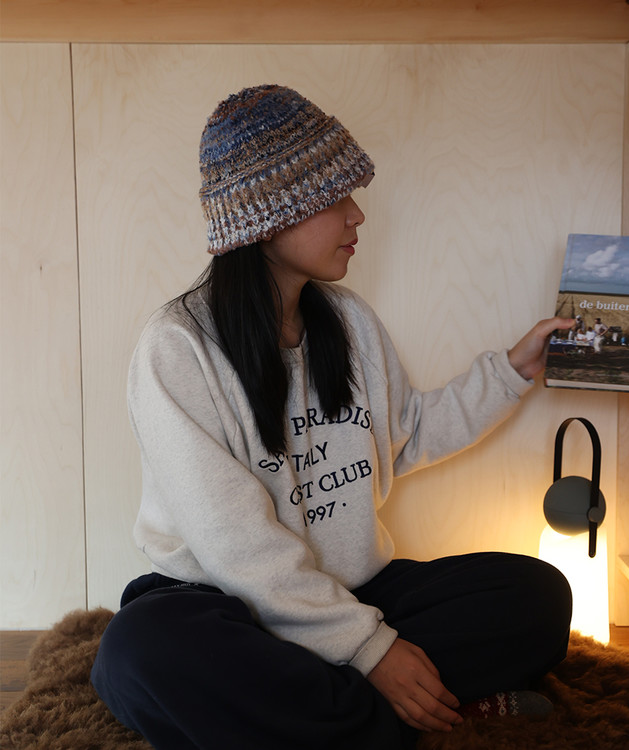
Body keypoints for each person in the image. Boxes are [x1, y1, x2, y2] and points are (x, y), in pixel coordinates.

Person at [91, 85, 573, 750]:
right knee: (137, 652)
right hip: (221, 602)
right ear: (268, 216)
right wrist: (372, 651)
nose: (357, 215)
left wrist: (513, 372)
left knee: (539, 595)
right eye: (335, 196)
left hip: (353, 591)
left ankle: (311, 718)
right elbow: (235, 544)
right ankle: (400, 714)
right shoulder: (176, 347)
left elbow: (406, 435)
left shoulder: (349, 321)